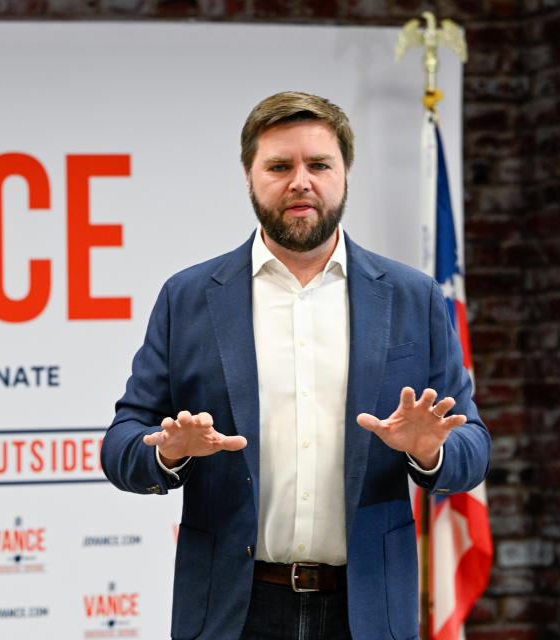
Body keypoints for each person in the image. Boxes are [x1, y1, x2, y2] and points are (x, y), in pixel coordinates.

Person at [101, 91, 491, 640]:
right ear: (249, 175)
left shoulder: (413, 298)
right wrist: (168, 451)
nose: (300, 181)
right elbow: (120, 446)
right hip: (232, 612)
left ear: (346, 173)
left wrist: (430, 450)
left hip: (367, 613)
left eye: (319, 165)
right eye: (280, 166)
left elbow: (473, 450)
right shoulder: (187, 298)